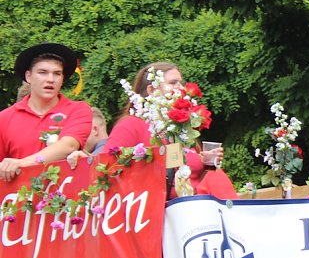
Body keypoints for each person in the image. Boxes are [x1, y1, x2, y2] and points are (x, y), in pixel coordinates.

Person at [106, 62, 223, 197]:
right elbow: (107, 167)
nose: (181, 87)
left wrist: (207, 162)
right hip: (156, 211)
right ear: (151, 90)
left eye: (180, 82)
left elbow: (193, 180)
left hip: (193, 208)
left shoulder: (180, 127)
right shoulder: (131, 124)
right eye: (173, 83)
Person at [0, 43, 93, 182]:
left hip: (66, 199)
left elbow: (68, 145)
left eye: (57, 73)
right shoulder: (4, 118)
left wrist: (21, 164)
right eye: (42, 72)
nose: (50, 79)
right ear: (28, 76)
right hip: (18, 199)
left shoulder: (78, 109)